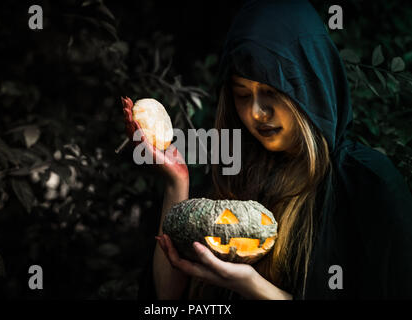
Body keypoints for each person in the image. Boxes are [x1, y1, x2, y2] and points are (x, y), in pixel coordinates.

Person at [123, 0, 412, 300]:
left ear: (309, 87)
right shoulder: (235, 177)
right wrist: (176, 182)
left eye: (272, 93)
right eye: (242, 95)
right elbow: (167, 301)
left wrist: (252, 286)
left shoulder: (368, 184)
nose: (257, 113)